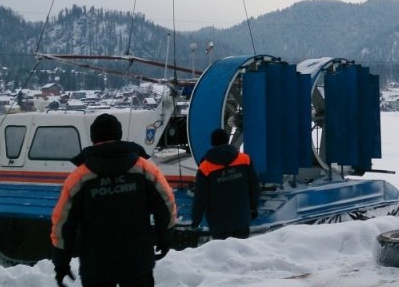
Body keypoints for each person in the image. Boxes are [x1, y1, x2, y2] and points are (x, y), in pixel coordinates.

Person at [51, 113, 177, 287]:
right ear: (119, 134)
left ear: (93, 138)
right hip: (138, 262)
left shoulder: (79, 177)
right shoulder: (144, 169)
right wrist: (165, 238)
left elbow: (62, 223)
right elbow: (166, 204)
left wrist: (61, 262)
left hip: (96, 265)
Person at [191, 128, 260, 240]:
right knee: (243, 252)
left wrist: (195, 221)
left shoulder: (205, 167)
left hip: (218, 223)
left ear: (212, 142)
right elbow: (254, 186)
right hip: (241, 218)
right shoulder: (245, 160)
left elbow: (200, 198)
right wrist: (253, 207)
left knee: (223, 255)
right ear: (228, 140)